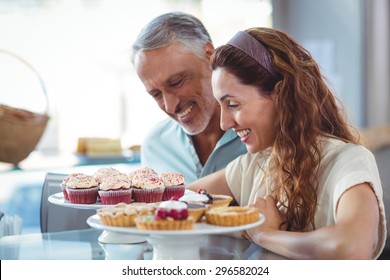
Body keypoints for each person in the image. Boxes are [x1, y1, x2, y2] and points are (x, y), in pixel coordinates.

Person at [187, 27, 387, 259]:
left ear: (281, 94)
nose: (223, 123)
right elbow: (182, 199)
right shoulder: (253, 165)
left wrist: (264, 234)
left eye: (232, 104)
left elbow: (351, 249)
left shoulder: (348, 161)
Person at [131, 12, 247, 183]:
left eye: (176, 82)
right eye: (156, 94)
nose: (170, 107)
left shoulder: (262, 134)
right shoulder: (155, 146)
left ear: (209, 56)